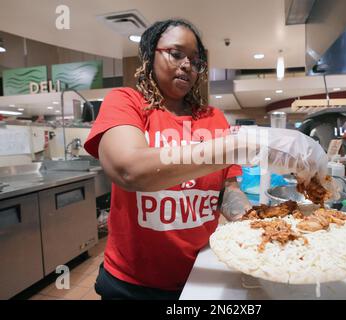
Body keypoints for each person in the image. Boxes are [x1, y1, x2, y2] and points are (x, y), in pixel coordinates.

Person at [84, 19, 331, 300]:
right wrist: (242, 145)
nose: (187, 65)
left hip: (199, 271)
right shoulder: (126, 102)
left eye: (195, 60)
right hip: (133, 283)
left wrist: (259, 223)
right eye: (176, 54)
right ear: (149, 54)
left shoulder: (212, 118)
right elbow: (128, 169)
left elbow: (226, 190)